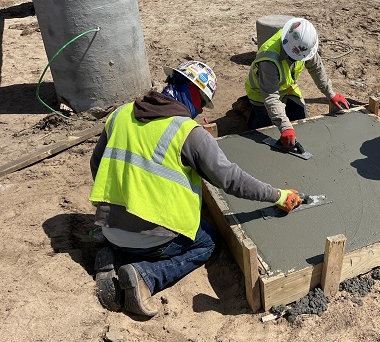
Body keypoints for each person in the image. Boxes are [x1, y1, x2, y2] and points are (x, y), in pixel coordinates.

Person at [89, 60, 302, 317]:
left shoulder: (120, 114)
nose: (200, 111)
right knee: (208, 242)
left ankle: (113, 256)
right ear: (192, 92)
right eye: (202, 102)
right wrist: (278, 195)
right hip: (150, 239)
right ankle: (146, 277)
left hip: (108, 226)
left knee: (132, 234)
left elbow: (96, 164)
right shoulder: (188, 132)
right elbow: (231, 180)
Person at [244, 17, 350, 147]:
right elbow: (271, 97)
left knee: (301, 119)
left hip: (287, 88)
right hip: (261, 93)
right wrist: (285, 127)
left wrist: (330, 94)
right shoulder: (269, 58)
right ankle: (247, 109)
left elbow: (316, 68)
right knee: (266, 129)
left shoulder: (303, 45)